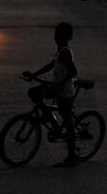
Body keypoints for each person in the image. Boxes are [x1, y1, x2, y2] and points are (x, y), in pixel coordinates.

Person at [22, 21, 80, 166]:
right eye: (56, 34)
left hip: (65, 91)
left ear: (66, 37)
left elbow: (73, 72)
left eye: (59, 34)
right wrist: (34, 74)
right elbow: (51, 65)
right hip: (58, 88)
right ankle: (50, 119)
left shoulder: (65, 52)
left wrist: (58, 84)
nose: (56, 37)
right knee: (34, 92)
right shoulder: (60, 50)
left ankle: (72, 157)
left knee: (68, 123)